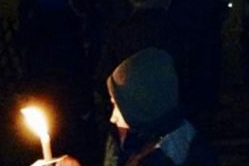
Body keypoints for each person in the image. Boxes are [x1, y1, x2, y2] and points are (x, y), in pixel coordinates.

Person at [58, 47, 218, 166]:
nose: (112, 117)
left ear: (142, 107)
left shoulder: (168, 157)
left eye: (117, 106)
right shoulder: (144, 133)